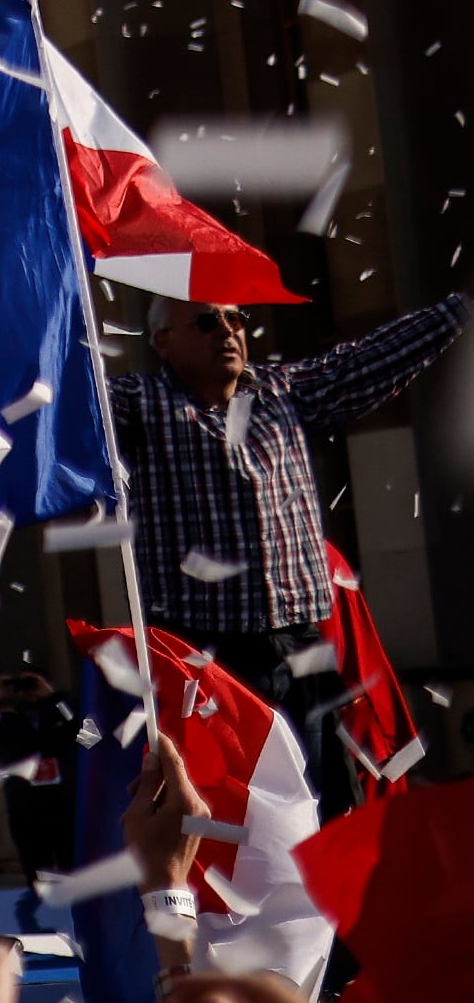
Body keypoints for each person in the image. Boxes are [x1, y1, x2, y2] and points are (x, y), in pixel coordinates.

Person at [114, 285, 467, 727]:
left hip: (300, 645)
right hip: (206, 655)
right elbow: (63, 401)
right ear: (162, 341)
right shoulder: (138, 406)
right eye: (206, 322)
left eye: (236, 319)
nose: (227, 331)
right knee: (237, 794)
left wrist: (460, 309)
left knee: (326, 792)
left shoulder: (280, 391)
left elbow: (368, 361)